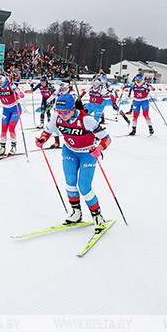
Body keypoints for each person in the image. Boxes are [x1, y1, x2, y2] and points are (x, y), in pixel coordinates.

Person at [35, 93, 112, 231]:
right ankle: (76, 213)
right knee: (70, 183)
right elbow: (47, 131)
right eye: (59, 111)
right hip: (69, 151)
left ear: (73, 109)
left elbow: (106, 138)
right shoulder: (56, 117)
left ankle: (98, 217)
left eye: (65, 112)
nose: (62, 115)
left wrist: (99, 149)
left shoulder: (86, 120)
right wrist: (42, 139)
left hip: (87, 154)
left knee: (84, 187)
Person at [0, 73, 25, 156]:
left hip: (15, 109)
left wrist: (16, 90)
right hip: (6, 110)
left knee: (11, 127)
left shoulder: (11, 85)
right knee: (3, 130)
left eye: (0, 82)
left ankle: (13, 147)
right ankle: (2, 148)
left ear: (4, 81)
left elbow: (22, 95)